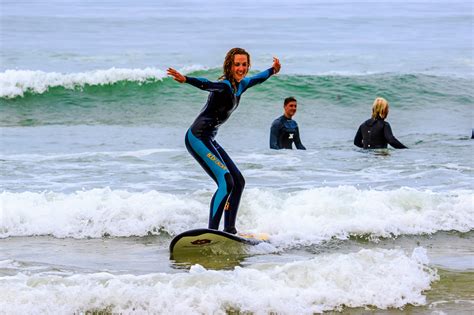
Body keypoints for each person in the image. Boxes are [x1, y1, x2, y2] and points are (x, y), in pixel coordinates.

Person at [167, 48, 281, 234]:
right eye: (237, 64)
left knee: (238, 181)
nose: (241, 68)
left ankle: (229, 230)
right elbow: (206, 84)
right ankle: (212, 232)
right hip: (197, 137)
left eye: (244, 64)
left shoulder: (241, 85)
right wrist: (186, 79)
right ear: (230, 65)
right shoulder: (225, 86)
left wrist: (272, 70)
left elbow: (258, 78)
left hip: (209, 138)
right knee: (226, 181)